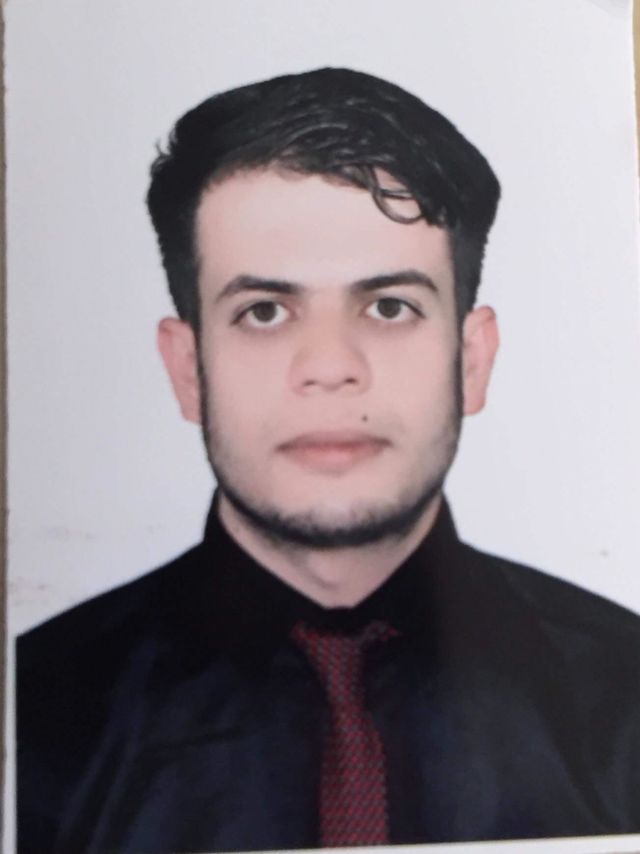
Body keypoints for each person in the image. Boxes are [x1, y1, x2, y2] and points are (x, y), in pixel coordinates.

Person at [17, 67, 640, 854]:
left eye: (388, 306)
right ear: (187, 370)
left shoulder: (625, 695)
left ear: (472, 360)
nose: (330, 367)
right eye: (264, 312)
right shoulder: (35, 713)